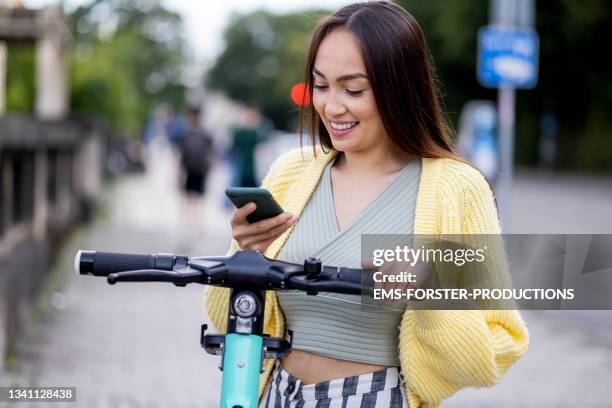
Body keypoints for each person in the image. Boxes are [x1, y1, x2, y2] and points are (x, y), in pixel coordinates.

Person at [206, 2, 528, 407]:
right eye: (321, 86)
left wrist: (430, 293)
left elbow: (501, 344)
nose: (331, 107)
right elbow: (226, 321)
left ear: (399, 87)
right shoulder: (291, 172)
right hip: (276, 394)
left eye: (353, 89)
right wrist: (244, 255)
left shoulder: (458, 188)